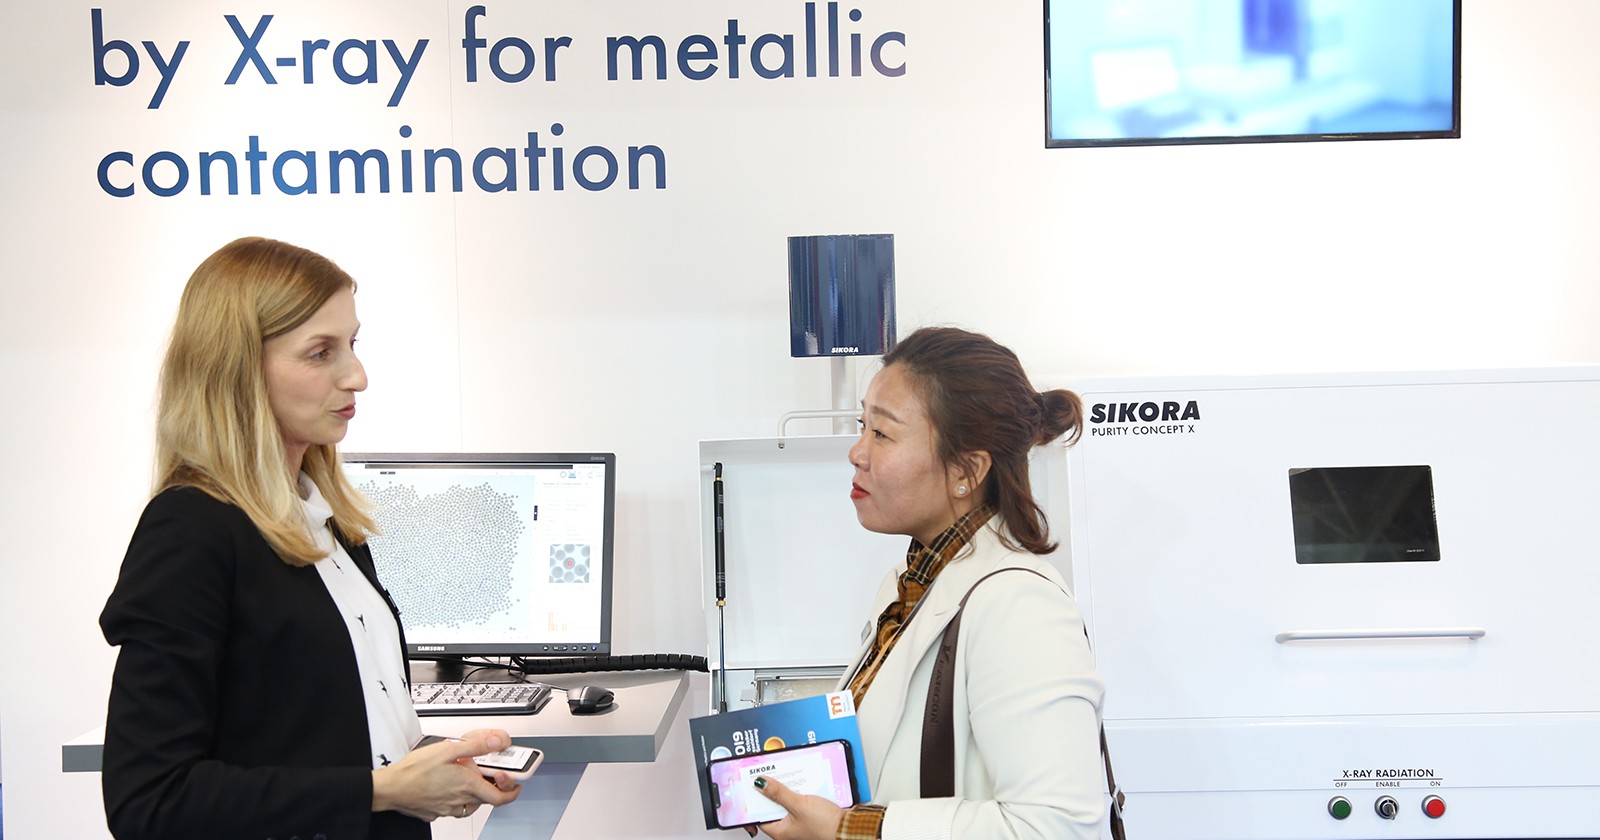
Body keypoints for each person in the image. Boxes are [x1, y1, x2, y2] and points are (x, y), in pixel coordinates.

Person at [99, 237, 522, 840]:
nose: (357, 376)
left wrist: (429, 768)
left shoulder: (327, 520)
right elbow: (150, 800)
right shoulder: (191, 531)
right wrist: (382, 791)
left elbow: (321, 731)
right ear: (237, 369)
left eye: (352, 344)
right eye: (320, 352)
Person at [753, 326, 1108, 840]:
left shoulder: (1019, 605)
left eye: (882, 434)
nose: (857, 452)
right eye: (863, 425)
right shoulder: (911, 585)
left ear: (967, 469)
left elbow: (1058, 826)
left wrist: (848, 830)